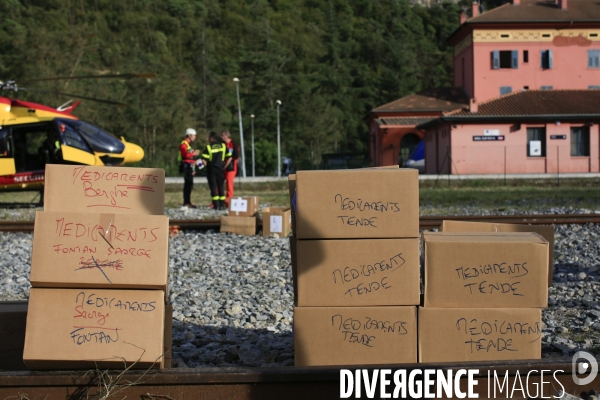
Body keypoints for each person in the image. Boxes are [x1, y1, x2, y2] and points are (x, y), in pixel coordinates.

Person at [201, 131, 231, 210]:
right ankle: (222, 205)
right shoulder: (223, 146)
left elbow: (204, 161)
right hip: (220, 169)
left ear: (211, 138)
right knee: (221, 187)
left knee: (213, 187)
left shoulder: (208, 147)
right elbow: (229, 157)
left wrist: (203, 165)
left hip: (211, 169)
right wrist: (224, 166)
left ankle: (216, 205)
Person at [178, 128, 200, 208]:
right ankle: (186, 202)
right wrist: (193, 154)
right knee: (188, 184)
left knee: (190, 184)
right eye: (194, 135)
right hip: (187, 166)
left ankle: (188, 201)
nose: (195, 137)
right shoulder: (184, 144)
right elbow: (184, 155)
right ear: (189, 135)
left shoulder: (188, 144)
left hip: (190, 165)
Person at [220, 130, 239, 206]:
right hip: (222, 166)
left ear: (226, 136)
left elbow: (236, 155)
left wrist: (229, 159)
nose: (221, 137)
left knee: (229, 185)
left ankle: (228, 201)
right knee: (219, 183)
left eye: (222, 135)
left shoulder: (233, 144)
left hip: (231, 167)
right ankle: (219, 201)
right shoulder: (222, 144)